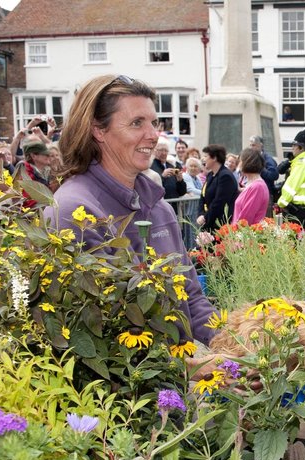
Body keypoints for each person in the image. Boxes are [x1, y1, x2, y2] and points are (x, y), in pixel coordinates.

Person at [48, 74, 216, 348]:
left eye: (153, 122)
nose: (152, 135)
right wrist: (193, 367)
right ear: (98, 130)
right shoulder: (74, 211)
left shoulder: (159, 208)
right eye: (137, 123)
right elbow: (99, 334)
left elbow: (192, 297)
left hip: (180, 379)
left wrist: (234, 350)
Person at [277, 129, 305, 228]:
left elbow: (291, 187)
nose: (292, 148)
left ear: (301, 147)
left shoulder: (302, 163)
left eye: (294, 145)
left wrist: (281, 203)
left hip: (297, 214)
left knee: (292, 242)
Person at [198, 144, 238, 232]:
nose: (204, 159)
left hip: (219, 225)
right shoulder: (210, 174)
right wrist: (200, 214)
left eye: (206, 156)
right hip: (208, 222)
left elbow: (219, 202)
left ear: (214, 158)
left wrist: (205, 217)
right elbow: (203, 196)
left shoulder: (225, 176)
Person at [232, 148, 269, 225]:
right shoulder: (253, 184)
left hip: (245, 234)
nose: (238, 164)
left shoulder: (257, 187)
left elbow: (245, 219)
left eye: (240, 161)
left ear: (247, 163)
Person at [248, 135, 279, 202]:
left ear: (261, 145)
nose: (251, 148)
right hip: (252, 194)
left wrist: (259, 168)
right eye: (250, 145)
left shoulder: (268, 159)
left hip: (264, 196)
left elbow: (274, 175)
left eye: (253, 145)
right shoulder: (251, 158)